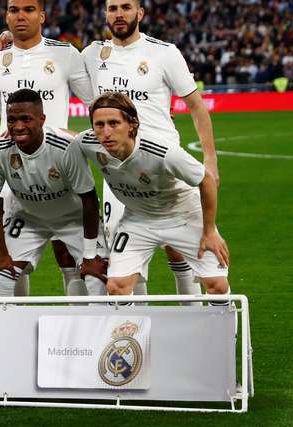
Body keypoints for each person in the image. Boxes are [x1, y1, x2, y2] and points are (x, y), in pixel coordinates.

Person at [82, 0, 220, 299]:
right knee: (122, 248)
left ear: (139, 13)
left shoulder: (163, 53)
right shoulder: (92, 55)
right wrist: (8, 44)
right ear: (106, 15)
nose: (119, 14)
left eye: (125, 8)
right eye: (113, 9)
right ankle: (138, 332)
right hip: (118, 167)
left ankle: (191, 313)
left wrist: (210, 160)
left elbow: (197, 106)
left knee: (177, 245)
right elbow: (54, 69)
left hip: (163, 161)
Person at [0, 0, 99, 296]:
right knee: (11, 256)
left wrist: (80, 136)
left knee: (67, 254)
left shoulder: (64, 54)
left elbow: (95, 103)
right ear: (6, 17)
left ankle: (78, 321)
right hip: (12, 168)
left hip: (59, 167)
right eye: (14, 10)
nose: (21, 16)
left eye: (28, 10)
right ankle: (15, 323)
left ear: (43, 16)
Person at [68, 92, 230, 300]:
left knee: (217, 285)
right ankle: (132, 332)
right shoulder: (88, 142)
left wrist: (209, 231)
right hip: (138, 221)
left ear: (132, 125)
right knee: (116, 287)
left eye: (114, 123)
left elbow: (205, 180)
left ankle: (224, 332)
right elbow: (68, 137)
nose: (106, 132)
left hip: (183, 216)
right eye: (99, 125)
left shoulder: (161, 150)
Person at [0, 89, 105, 297]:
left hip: (74, 219)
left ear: (42, 119)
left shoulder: (66, 147)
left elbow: (89, 199)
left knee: (97, 278)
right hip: (29, 218)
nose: (18, 126)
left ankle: (91, 327)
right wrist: (1, 252)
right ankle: (8, 328)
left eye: (26, 119)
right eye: (12, 120)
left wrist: (90, 255)